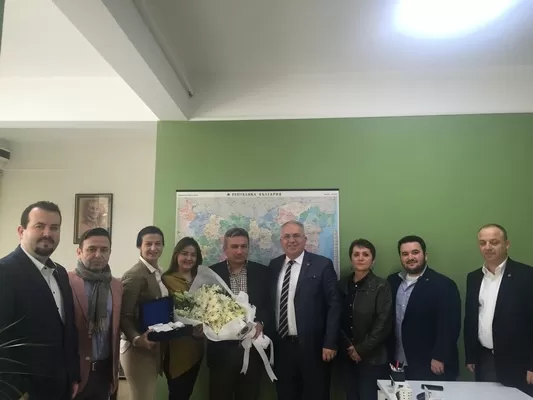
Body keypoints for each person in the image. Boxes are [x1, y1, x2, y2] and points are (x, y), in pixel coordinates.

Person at [0, 201, 80, 400]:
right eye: (39, 226)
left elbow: (68, 330)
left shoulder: (61, 273)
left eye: (54, 228)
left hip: (61, 386)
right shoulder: (4, 272)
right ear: (21, 231)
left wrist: (72, 376)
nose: (47, 233)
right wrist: (15, 391)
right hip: (25, 392)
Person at [268, 220, 341, 400]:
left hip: (314, 348)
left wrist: (330, 342)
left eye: (296, 236)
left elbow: (334, 304)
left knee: (316, 394)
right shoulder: (274, 265)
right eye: (287, 236)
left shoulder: (322, 265)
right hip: (282, 346)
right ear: (281, 241)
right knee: (285, 394)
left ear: (305, 239)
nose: (291, 240)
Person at [464, 224, 533, 396]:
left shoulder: (526, 275)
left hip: (519, 362)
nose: (487, 247)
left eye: (494, 242)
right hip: (485, 358)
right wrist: (471, 355)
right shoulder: (474, 277)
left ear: (507, 244)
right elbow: (472, 318)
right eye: (483, 243)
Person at [207, 228, 272, 400]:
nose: (239, 251)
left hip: (253, 350)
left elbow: (269, 304)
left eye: (244, 246)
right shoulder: (211, 273)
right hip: (221, 352)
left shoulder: (262, 272)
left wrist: (262, 322)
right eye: (234, 246)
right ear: (225, 248)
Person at [387, 235, 461, 381]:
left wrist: (440, 356)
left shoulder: (444, 285)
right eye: (405, 254)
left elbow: (450, 325)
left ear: (425, 255)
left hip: (429, 362)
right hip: (398, 361)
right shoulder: (392, 282)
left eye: (415, 252)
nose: (410, 257)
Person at [68, 228, 123, 400]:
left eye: (104, 250)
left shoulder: (116, 285)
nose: (98, 255)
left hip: (105, 371)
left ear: (110, 252)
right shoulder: (66, 282)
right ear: (79, 252)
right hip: (75, 373)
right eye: (92, 249)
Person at [120, 226, 169, 400]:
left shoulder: (159, 272)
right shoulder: (134, 275)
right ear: (139, 246)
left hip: (153, 346)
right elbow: (124, 315)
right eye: (148, 244)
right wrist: (137, 339)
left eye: (158, 244)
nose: (154, 248)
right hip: (137, 350)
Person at [340, 239, 392, 400]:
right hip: (347, 356)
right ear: (351, 259)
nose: (360, 258)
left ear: (373, 260)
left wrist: (361, 350)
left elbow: (383, 323)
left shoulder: (382, 286)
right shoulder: (341, 285)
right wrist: (349, 347)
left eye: (365, 254)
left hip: (373, 358)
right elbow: (336, 318)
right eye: (356, 254)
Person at [161, 237, 205, 400]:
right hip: (176, 349)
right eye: (184, 253)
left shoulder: (201, 280)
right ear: (176, 255)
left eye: (193, 255)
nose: (189, 258)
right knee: (178, 393)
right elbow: (164, 317)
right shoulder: (166, 280)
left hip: (197, 347)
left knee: (186, 393)